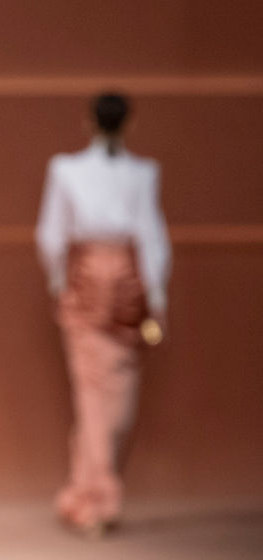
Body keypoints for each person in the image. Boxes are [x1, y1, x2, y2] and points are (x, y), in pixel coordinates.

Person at [36, 91, 171, 535]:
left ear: (89, 122)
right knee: (99, 397)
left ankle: (84, 493)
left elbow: (53, 234)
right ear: (128, 123)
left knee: (111, 400)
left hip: (109, 286)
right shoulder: (69, 169)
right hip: (103, 284)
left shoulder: (139, 172)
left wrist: (61, 282)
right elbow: (149, 237)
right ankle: (98, 499)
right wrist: (155, 295)